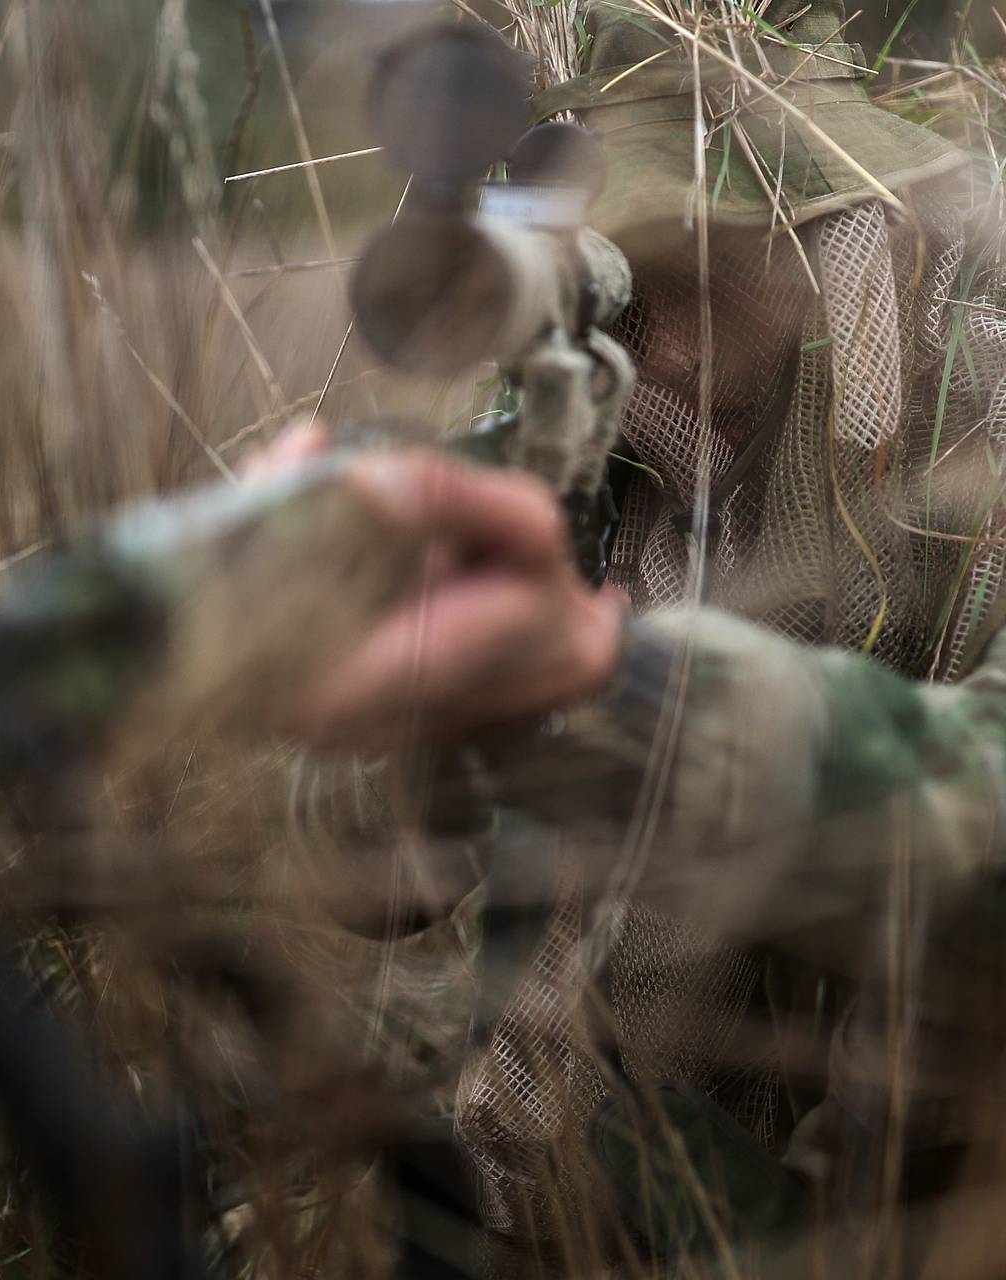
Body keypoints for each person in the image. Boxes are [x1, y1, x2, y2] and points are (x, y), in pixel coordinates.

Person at [250, 0, 1006, 1273]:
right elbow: (344, 870)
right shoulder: (593, 437)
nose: (646, 315)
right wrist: (413, 709)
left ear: (841, 234)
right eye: (618, 261)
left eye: (696, 256)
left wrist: (616, 684)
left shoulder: (971, 448)